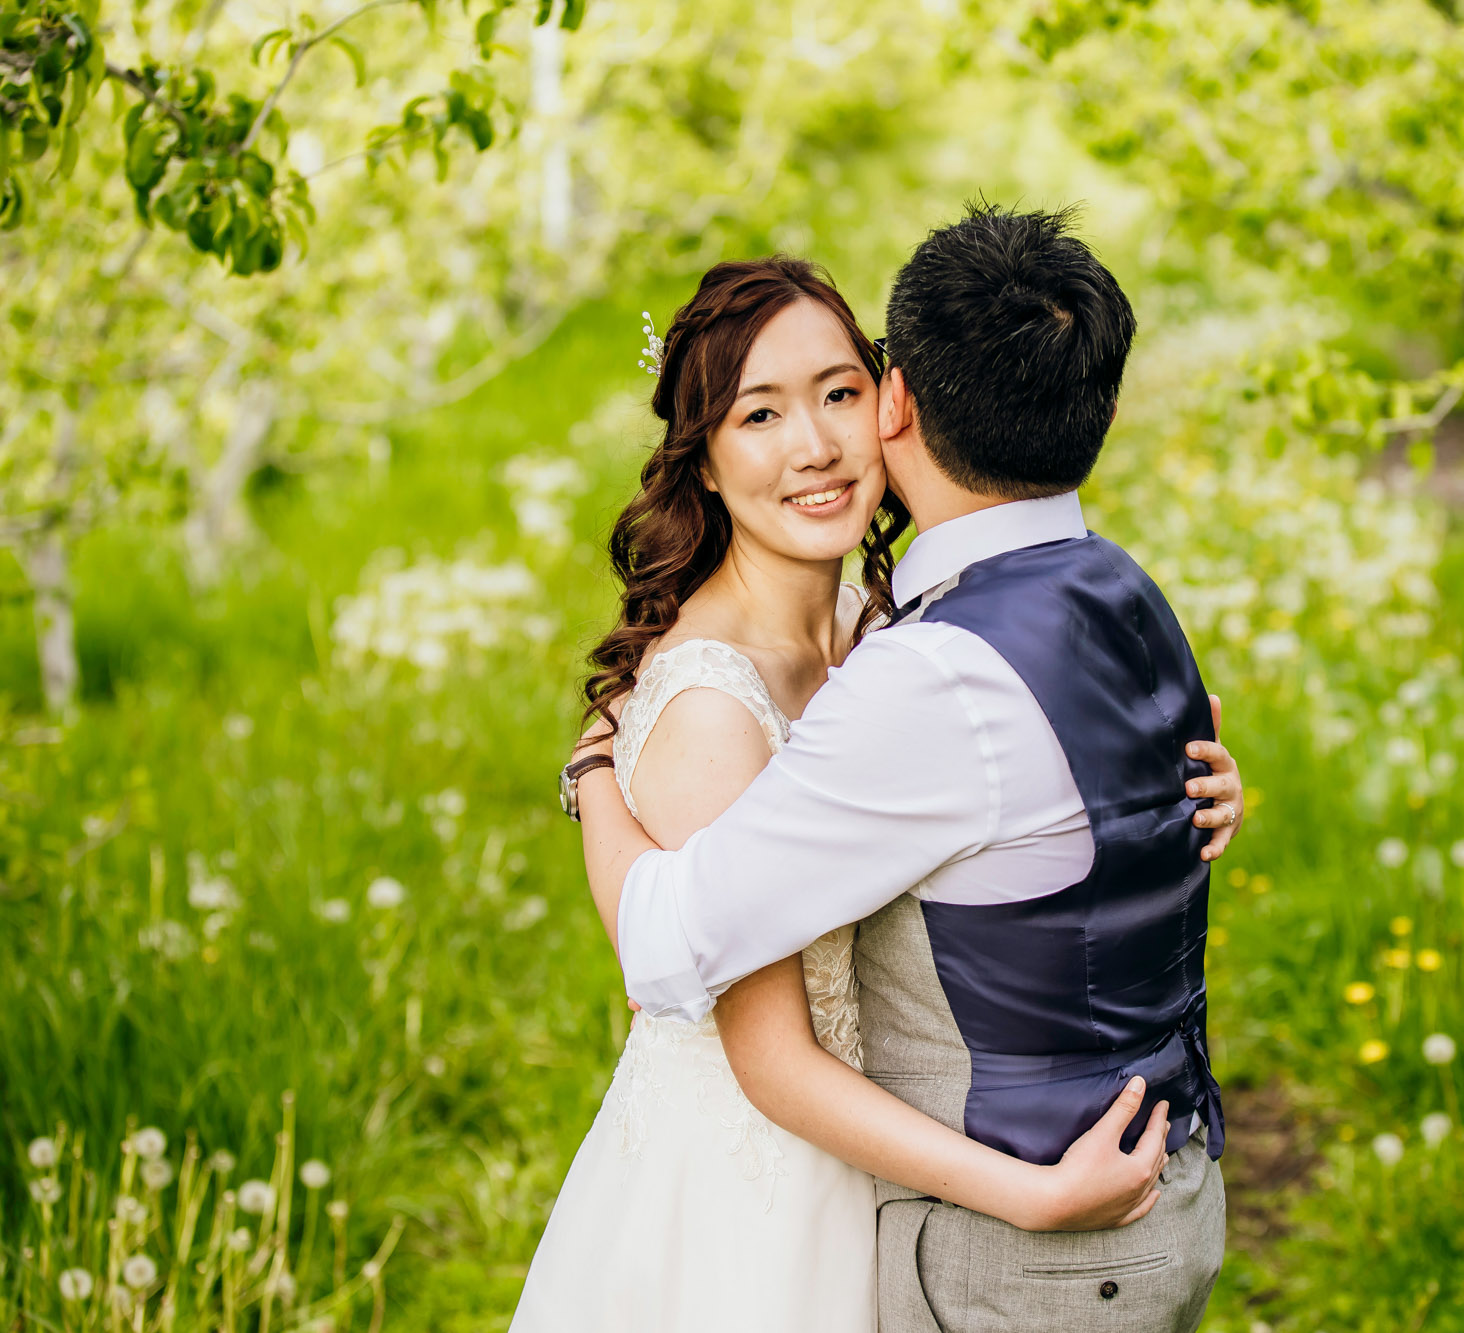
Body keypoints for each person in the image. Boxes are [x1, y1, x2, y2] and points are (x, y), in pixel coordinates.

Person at [511, 253, 1247, 1332]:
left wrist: (1157, 790)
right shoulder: (714, 703)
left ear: (892, 402)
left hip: (893, 1174)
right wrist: (590, 772)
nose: (812, 446)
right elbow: (751, 1041)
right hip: (763, 1189)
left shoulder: (889, 626)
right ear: (703, 461)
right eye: (758, 414)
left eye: (837, 394)